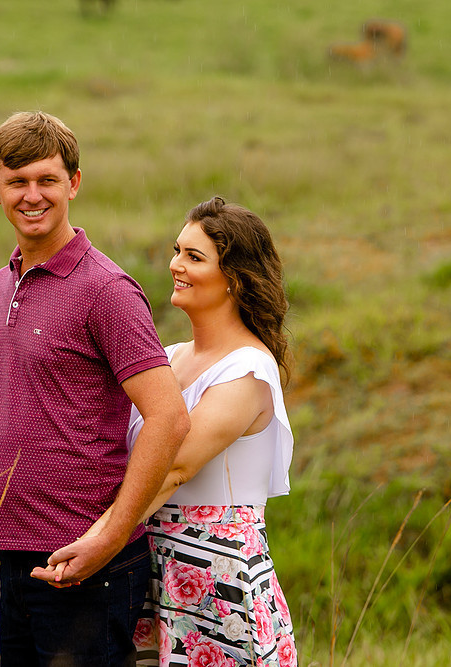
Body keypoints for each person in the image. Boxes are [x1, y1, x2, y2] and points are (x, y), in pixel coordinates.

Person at [0, 110, 190, 667]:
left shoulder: (105, 289)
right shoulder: (0, 283)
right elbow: (41, 415)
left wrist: (109, 538)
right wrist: (1, 514)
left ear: (73, 184)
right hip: (20, 554)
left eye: (47, 180)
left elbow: (169, 417)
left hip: (89, 562)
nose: (32, 196)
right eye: (17, 181)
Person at [44, 196, 298, 667]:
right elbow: (98, 451)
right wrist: (3, 509)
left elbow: (174, 467)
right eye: (177, 250)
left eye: (194, 257)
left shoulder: (248, 369)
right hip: (150, 569)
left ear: (235, 280)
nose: (175, 265)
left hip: (216, 579)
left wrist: (100, 541)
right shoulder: (172, 356)